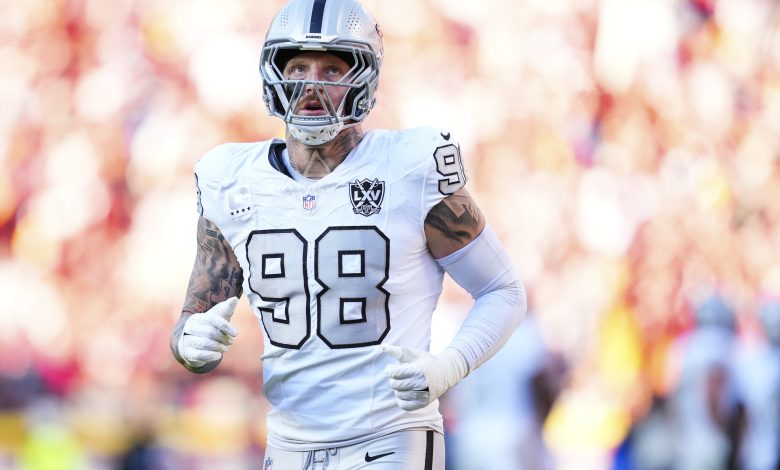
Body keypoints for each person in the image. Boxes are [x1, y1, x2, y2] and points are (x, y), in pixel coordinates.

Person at [169, 0, 527, 468]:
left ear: (364, 78)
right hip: (286, 447)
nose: (312, 85)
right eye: (298, 66)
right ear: (273, 74)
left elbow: (503, 290)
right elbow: (193, 315)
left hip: (391, 438)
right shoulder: (229, 177)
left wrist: (449, 365)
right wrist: (188, 342)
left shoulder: (411, 165)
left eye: (332, 68)